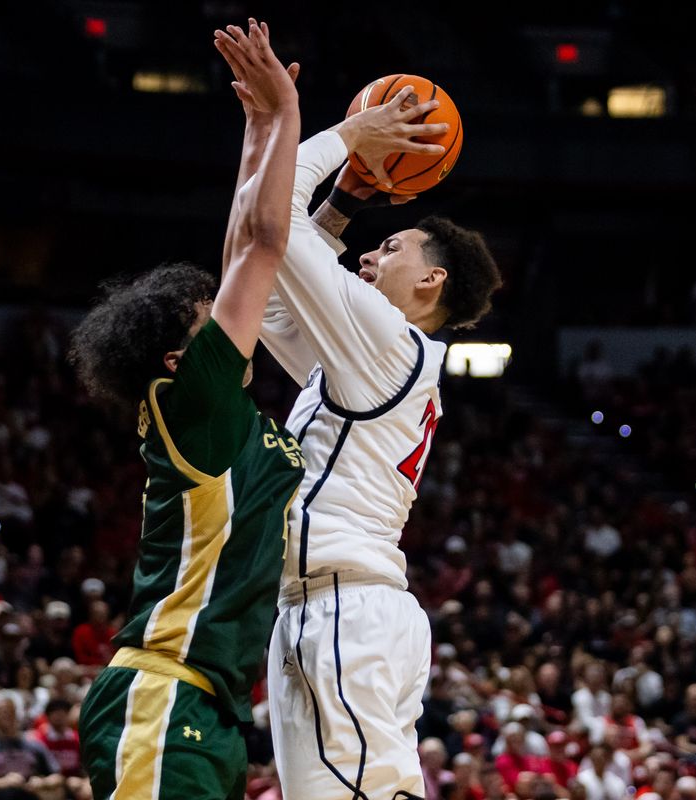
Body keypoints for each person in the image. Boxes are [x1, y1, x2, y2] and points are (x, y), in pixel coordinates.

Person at [72, 19, 308, 800]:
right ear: (177, 357)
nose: (228, 318)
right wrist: (292, 118)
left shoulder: (213, 412)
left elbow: (243, 242)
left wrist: (260, 125)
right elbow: (262, 246)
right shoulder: (191, 400)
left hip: (205, 712)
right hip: (162, 697)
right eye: (208, 321)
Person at [256, 60, 501, 800]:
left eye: (392, 247)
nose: (368, 251)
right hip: (328, 606)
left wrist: (344, 135)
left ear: (432, 283)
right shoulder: (370, 355)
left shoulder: (389, 340)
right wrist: (343, 202)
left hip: (344, 607)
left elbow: (270, 221)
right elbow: (267, 305)